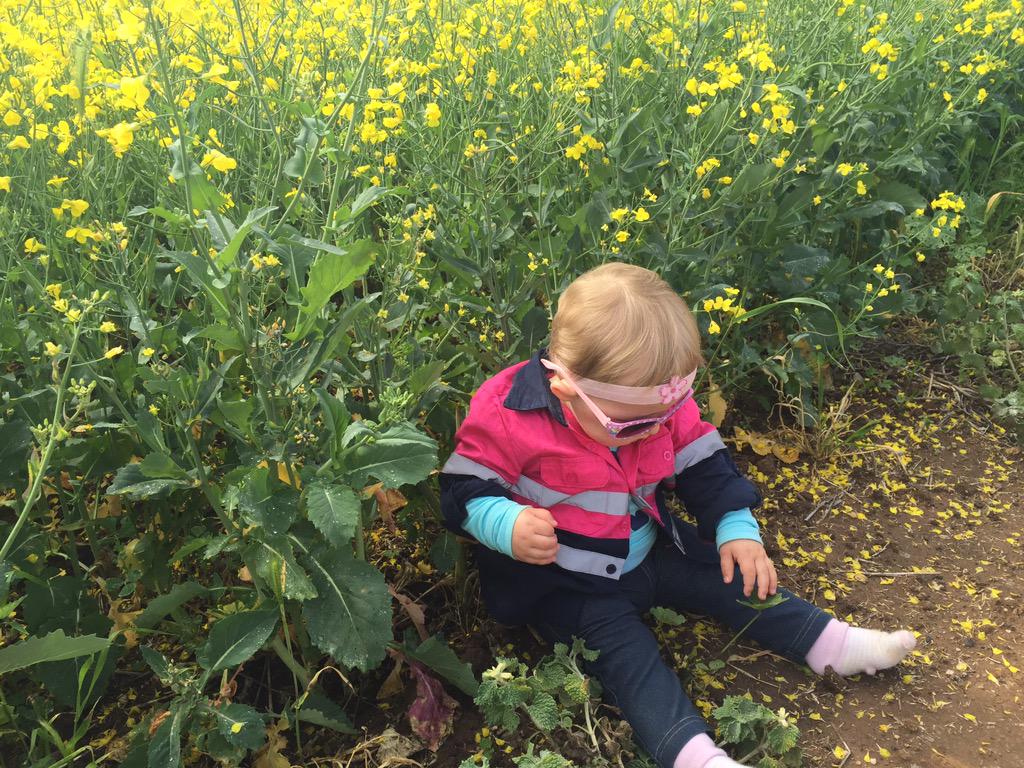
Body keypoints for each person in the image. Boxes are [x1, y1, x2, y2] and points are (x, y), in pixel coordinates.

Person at [439, 263, 916, 768]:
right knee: (628, 658)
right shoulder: (509, 412)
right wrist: (506, 524)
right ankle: (695, 756)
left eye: (666, 415)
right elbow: (463, 486)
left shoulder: (651, 403)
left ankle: (831, 643)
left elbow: (701, 460)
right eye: (633, 426)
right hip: (568, 582)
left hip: (650, 547)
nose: (653, 431)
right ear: (565, 389)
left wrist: (736, 527)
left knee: (732, 573)